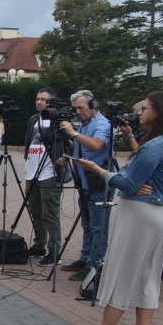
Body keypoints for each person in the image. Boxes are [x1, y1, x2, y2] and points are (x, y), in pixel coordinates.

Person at [68, 91, 163, 325]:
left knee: (121, 273)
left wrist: (99, 171)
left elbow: (128, 183)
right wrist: (126, 175)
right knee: (146, 276)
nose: (139, 113)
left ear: (159, 113)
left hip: (142, 216)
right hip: (156, 214)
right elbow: (134, 177)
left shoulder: (155, 145)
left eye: (145, 108)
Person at [59, 90, 111, 282]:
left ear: (93, 105)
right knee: (87, 224)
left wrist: (73, 133)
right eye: (75, 109)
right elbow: (81, 145)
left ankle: (94, 266)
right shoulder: (85, 123)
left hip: (97, 182)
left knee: (98, 227)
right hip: (84, 182)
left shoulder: (102, 124)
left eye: (81, 107)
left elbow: (97, 145)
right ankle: (85, 258)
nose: (78, 112)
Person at [22, 88, 64, 266]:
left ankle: (54, 250)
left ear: (51, 102)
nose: (39, 102)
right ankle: (38, 244)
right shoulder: (34, 119)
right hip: (32, 171)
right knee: (35, 210)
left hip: (49, 172)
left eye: (43, 100)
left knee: (50, 212)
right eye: (38, 99)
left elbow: (66, 143)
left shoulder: (59, 120)